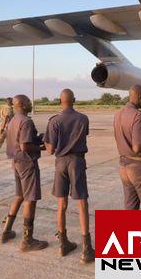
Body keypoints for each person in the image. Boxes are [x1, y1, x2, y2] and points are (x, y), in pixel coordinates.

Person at [44, 89, 95, 263]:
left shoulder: (54, 121)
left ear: (60, 101)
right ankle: (87, 248)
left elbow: (50, 150)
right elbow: (83, 136)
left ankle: (63, 243)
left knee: (61, 204)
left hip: (61, 163)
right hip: (77, 161)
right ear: (74, 99)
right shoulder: (83, 118)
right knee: (82, 203)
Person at [0, 94, 49, 252]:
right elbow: (25, 146)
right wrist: (42, 147)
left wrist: (37, 139)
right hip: (27, 163)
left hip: (16, 162)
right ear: (21, 104)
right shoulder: (26, 121)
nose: (31, 103)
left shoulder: (13, 120)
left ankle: (6, 231)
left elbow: (22, 141)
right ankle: (27, 240)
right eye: (28, 101)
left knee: (19, 196)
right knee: (31, 199)